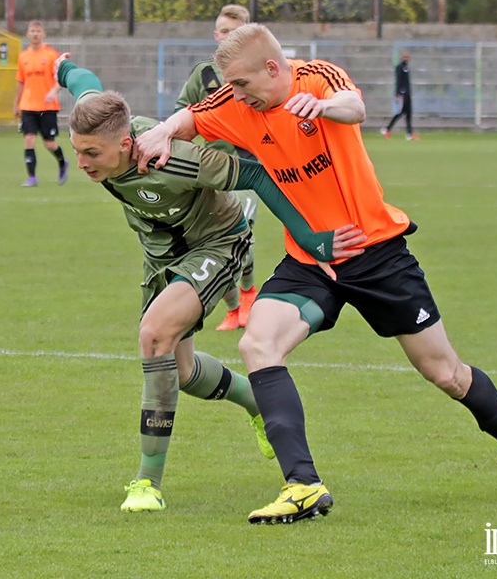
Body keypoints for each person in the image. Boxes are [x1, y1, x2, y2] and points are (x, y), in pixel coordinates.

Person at [134, 23, 497, 525]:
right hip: (311, 262)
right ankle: (302, 485)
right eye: (230, 87)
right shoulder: (237, 105)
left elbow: (354, 105)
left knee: (446, 374)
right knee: (258, 346)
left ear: (273, 68)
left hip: (377, 255)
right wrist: (161, 132)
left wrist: (322, 109)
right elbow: (192, 116)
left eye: (242, 84)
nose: (235, 94)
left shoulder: (316, 80)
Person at [54, 53, 368, 514]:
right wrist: (63, 67)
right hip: (160, 258)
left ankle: (147, 483)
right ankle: (257, 405)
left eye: (92, 154)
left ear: (125, 143)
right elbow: (86, 82)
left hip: (219, 244)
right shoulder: (99, 128)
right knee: (178, 374)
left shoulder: (171, 160)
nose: (81, 163)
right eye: (77, 150)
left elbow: (255, 174)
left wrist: (314, 241)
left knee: (154, 335)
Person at [176, 4, 258, 331]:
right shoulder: (204, 73)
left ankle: (249, 294)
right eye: (223, 32)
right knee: (211, 246)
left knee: (241, 239)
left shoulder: (258, 72)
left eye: (234, 33)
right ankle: (234, 306)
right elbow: (183, 110)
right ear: (215, 35)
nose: (227, 37)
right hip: (210, 172)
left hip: (248, 170)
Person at [14, 20, 68, 187]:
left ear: (43, 34)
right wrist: (16, 103)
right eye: (32, 31)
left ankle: (62, 163)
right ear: (28, 34)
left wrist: (53, 92)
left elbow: (61, 78)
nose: (35, 34)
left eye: (38, 31)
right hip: (28, 106)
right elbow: (21, 82)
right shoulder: (23, 56)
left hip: (47, 107)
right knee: (29, 139)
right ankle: (32, 178)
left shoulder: (51, 55)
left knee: (49, 143)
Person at [381, 51, 418, 140]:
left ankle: (410, 133)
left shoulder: (406, 67)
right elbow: (398, 81)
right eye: (405, 57)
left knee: (408, 113)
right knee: (401, 112)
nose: (407, 58)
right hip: (402, 93)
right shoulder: (400, 67)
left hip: (408, 93)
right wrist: (397, 93)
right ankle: (387, 129)